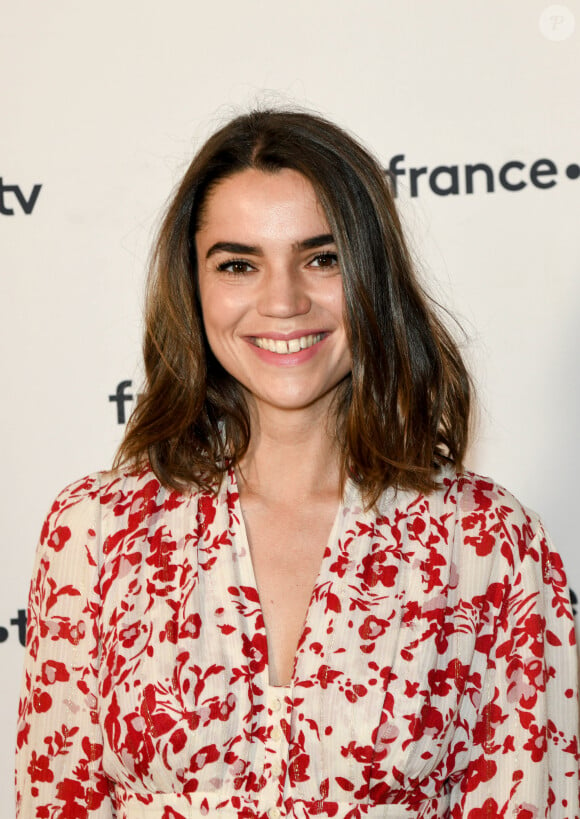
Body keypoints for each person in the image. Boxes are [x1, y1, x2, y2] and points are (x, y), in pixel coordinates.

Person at [16, 109, 579, 819]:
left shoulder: (484, 543)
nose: (283, 301)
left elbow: (527, 800)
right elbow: (55, 798)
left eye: (323, 257)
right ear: (193, 285)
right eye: (239, 264)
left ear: (373, 274)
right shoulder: (96, 533)